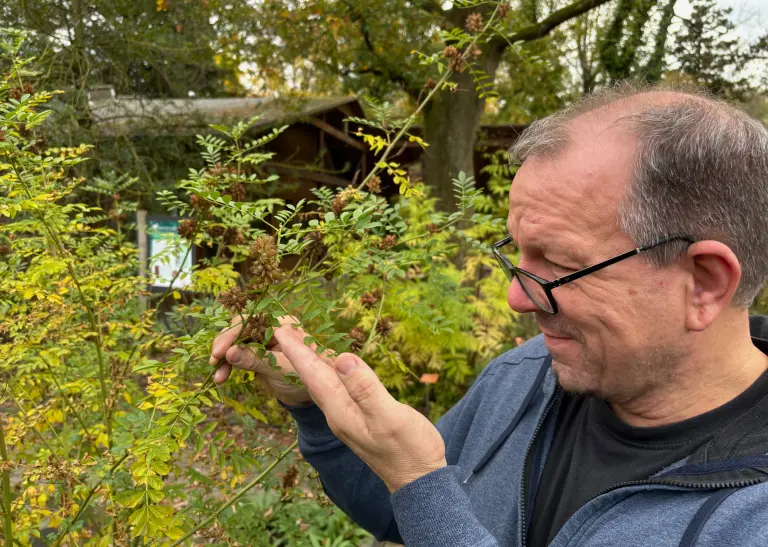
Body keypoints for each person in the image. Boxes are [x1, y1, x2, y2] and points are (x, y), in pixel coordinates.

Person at [210, 83, 768, 547]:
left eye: (556, 263)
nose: (517, 298)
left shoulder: (748, 519)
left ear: (704, 284)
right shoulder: (524, 377)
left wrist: (420, 479)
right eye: (516, 252)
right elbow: (405, 513)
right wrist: (313, 407)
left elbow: (427, 496)